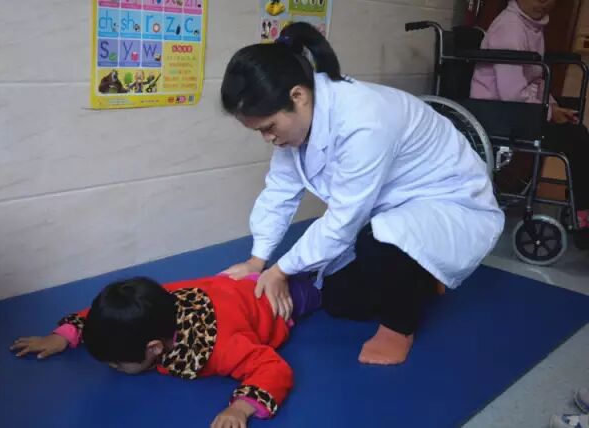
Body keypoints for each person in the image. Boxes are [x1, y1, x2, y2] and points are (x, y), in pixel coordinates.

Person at [219, 22, 504, 366]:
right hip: (393, 205)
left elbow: (343, 220)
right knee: (342, 302)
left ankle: (399, 328)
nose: (268, 138)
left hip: (447, 200)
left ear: (298, 96)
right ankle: (424, 277)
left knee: (381, 239)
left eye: (269, 127)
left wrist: (280, 271)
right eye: (259, 132)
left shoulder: (364, 120)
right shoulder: (299, 122)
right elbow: (279, 190)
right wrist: (257, 259)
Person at [10, 273, 321, 428]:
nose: (112, 367)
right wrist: (63, 335)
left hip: (276, 300)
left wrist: (240, 408)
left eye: (117, 363)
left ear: (154, 348)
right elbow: (111, 315)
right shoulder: (153, 304)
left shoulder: (220, 346)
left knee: (320, 287)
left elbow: (272, 367)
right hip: (233, 286)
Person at [470, 0, 589, 249]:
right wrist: (549, 112)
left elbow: (536, 81)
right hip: (499, 111)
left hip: (518, 109)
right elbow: (512, 92)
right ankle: (583, 216)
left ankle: (580, 211)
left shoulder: (532, 26)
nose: (543, 2)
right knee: (576, 139)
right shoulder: (510, 28)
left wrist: (554, 107)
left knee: (577, 134)